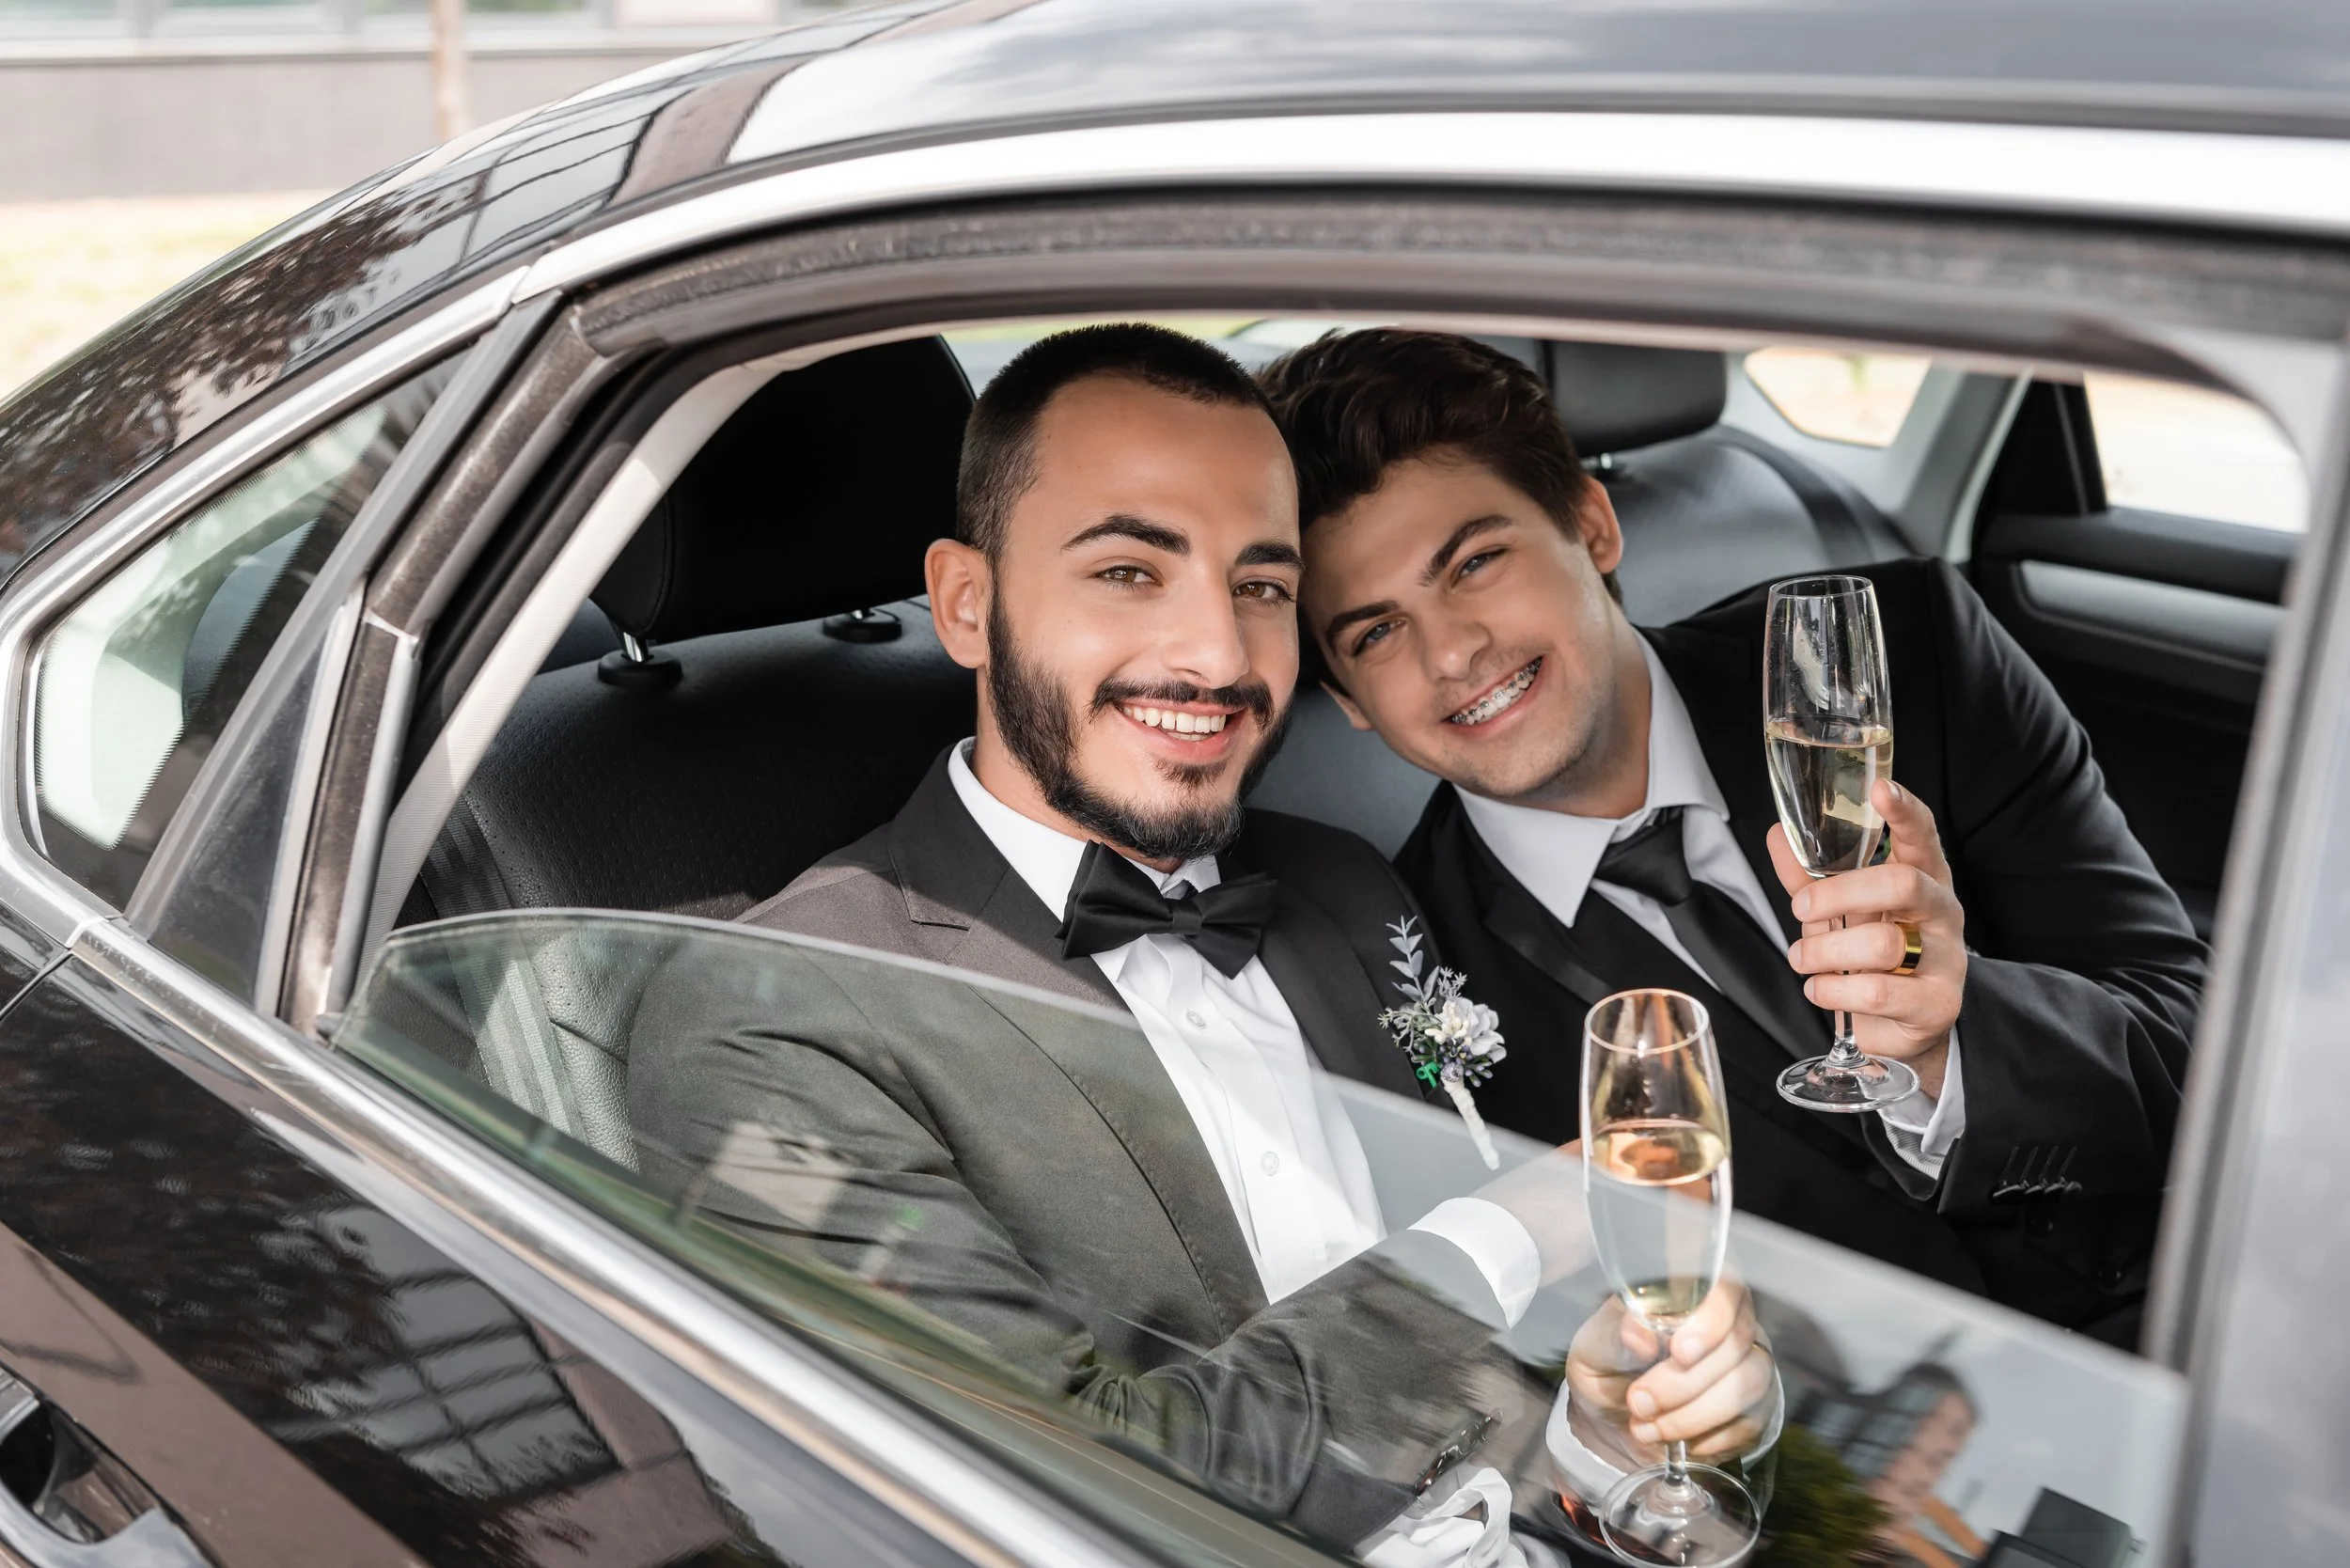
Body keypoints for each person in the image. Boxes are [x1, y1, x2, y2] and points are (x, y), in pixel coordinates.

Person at [626, 325, 1779, 1562]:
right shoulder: (773, 1021)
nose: (1220, 658)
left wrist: (1623, 1430)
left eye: (1263, 586)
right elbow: (1065, 1491)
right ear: (968, 602)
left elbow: (1498, 1391)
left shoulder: (1341, 884)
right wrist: (1514, 1233)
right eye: (1129, 570)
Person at [1261, 328, 2205, 1345]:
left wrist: (1955, 1039)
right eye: (1374, 633)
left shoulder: (1903, 657)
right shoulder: (1411, 972)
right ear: (1347, 700)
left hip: (2205, 1314)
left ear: (1592, 524)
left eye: (1477, 562)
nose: (1450, 652)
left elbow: (2197, 1053)